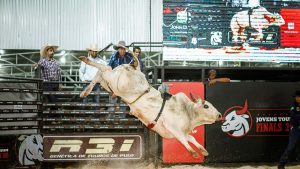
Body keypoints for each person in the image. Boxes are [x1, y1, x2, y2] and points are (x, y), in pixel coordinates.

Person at [107, 41, 133, 112]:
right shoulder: (113, 57)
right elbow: (108, 69)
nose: (122, 50)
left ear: (125, 49)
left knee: (123, 103)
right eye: (120, 49)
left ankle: (122, 119)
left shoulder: (130, 57)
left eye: (124, 49)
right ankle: (110, 119)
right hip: (114, 83)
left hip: (125, 84)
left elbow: (132, 70)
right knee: (112, 102)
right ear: (118, 49)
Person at [278, 91, 300, 169]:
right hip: (295, 128)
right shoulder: (293, 105)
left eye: (298, 97)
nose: (297, 98)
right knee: (291, 147)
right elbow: (293, 115)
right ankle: (281, 165)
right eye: (296, 97)